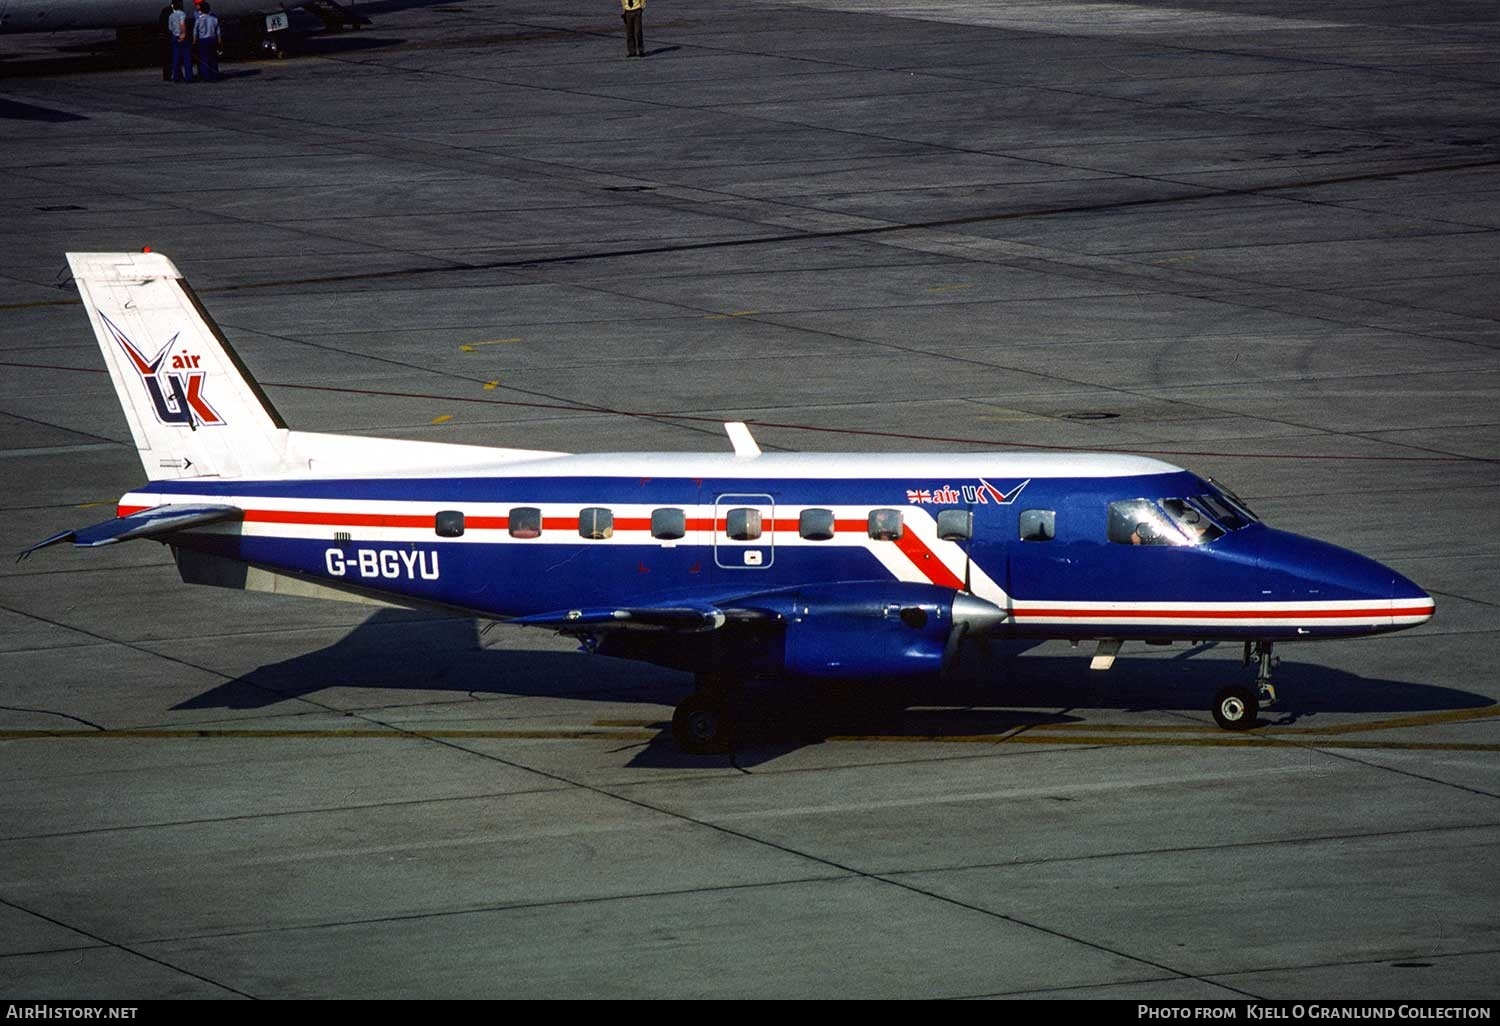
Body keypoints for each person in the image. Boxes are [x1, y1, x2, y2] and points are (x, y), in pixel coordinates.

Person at [194, 1, 222, 82]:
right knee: (213, 58)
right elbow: (218, 32)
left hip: (203, 40)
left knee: (204, 59)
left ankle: (206, 77)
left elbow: (195, 31)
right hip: (212, 39)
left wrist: (194, 40)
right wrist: (219, 41)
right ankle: (215, 75)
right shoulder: (214, 19)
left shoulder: (199, 20)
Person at [167, 0, 193, 82]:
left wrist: (175, 32)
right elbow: (182, 24)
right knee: (186, 58)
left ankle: (176, 77)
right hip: (182, 37)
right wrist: (183, 34)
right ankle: (189, 77)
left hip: (174, 36)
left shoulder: (171, 16)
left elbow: (170, 28)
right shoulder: (182, 14)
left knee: (176, 58)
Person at [157, 2, 174, 81]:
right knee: (171, 57)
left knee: (166, 59)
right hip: (169, 38)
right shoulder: (172, 14)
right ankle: (172, 75)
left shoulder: (164, 14)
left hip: (164, 38)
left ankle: (167, 76)